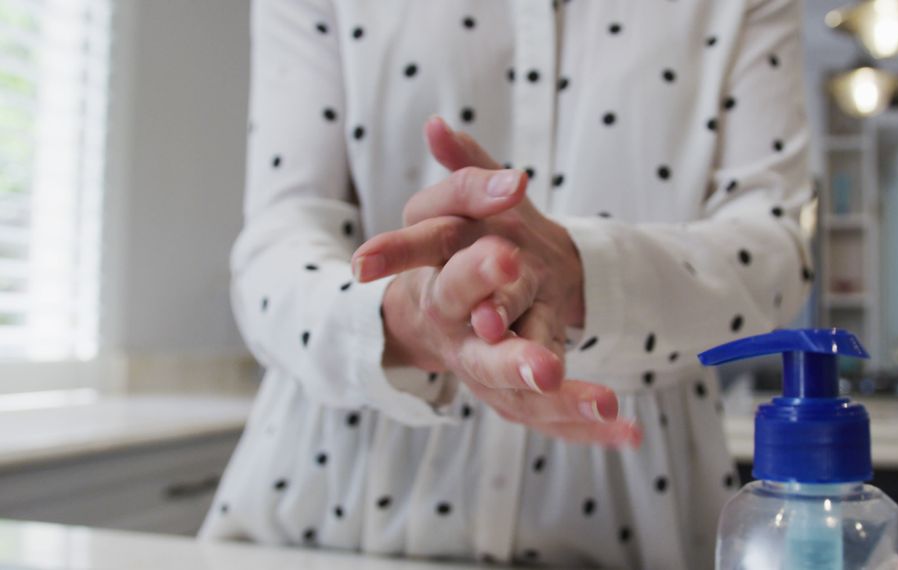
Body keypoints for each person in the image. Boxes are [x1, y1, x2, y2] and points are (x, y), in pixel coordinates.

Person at [199, 0, 813, 568]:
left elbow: (776, 255)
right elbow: (274, 248)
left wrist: (577, 273)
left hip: (634, 520)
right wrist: (410, 319)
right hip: (326, 509)